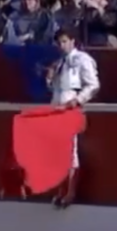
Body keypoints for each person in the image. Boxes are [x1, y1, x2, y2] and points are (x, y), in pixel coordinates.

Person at [45, 27, 98, 209]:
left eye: (65, 41)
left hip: (70, 111)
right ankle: (61, 190)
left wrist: (77, 101)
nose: (62, 45)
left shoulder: (82, 59)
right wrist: (49, 79)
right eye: (59, 42)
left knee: (69, 151)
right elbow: (56, 90)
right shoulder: (59, 62)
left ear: (73, 41)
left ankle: (70, 192)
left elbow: (93, 85)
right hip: (56, 110)